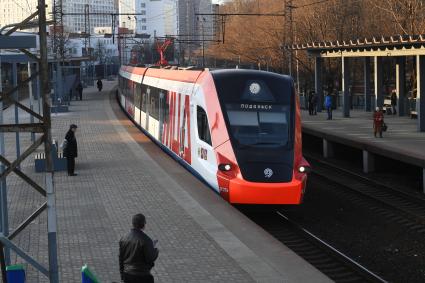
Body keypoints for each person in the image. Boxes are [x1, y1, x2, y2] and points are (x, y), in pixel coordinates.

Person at [119, 214, 159, 283]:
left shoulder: (123, 238)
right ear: (143, 224)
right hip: (142, 276)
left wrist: (122, 275)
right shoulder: (146, 240)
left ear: (133, 223)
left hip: (127, 275)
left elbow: (121, 258)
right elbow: (150, 258)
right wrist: (155, 250)